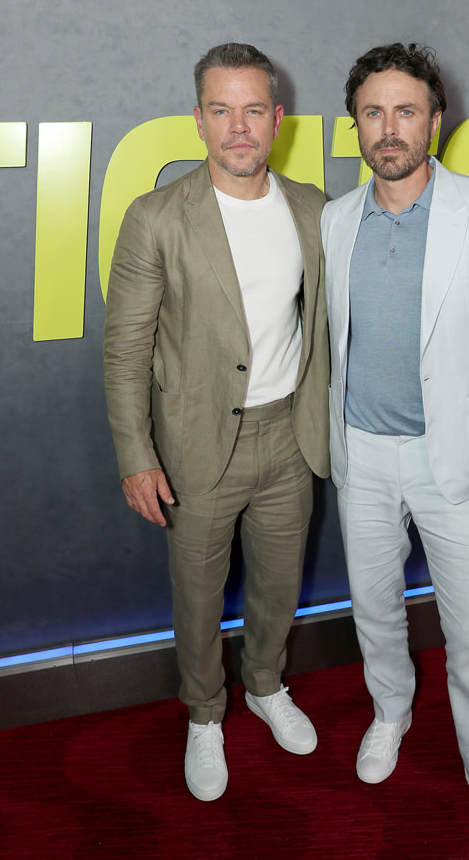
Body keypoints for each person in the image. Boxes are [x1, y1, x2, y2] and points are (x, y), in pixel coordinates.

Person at [321, 43, 469, 856]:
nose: (390, 128)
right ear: (356, 126)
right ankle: (392, 710)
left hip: (456, 461)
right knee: (374, 611)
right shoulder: (335, 219)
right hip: (363, 457)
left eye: (405, 110)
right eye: (373, 112)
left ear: (435, 121)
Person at [103, 43, 329, 802]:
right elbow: (126, 348)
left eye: (254, 109)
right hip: (197, 444)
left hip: (288, 438)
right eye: (223, 109)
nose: (240, 126)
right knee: (198, 596)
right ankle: (205, 713)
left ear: (278, 118)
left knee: (279, 583)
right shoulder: (156, 217)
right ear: (197, 120)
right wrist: (137, 454)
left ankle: (265, 683)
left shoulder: (312, 209)